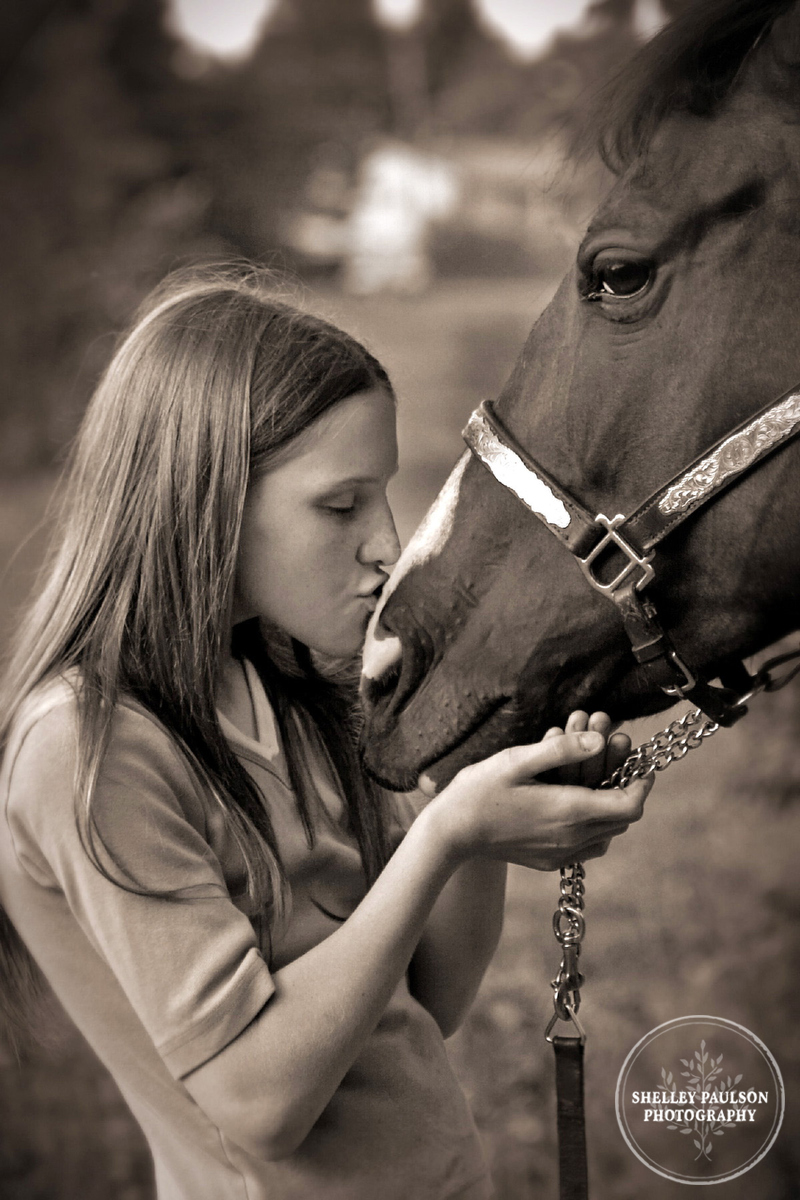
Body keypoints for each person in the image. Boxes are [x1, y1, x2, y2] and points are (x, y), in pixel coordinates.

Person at [0, 265, 651, 1200]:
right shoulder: (89, 751)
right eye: (341, 505)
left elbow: (425, 1001)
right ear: (204, 498)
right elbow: (260, 1101)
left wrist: (471, 775)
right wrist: (448, 834)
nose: (387, 543)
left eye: (380, 496)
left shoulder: (284, 690)